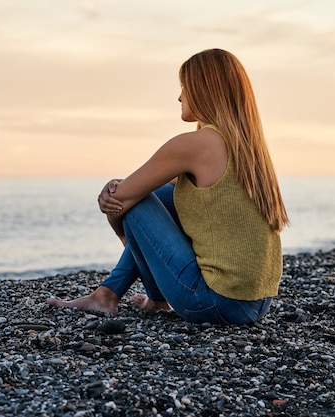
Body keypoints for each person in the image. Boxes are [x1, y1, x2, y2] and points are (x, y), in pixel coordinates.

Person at [47, 48, 289, 325]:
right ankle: (123, 295)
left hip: (213, 304)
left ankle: (127, 297)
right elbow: (161, 188)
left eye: (184, 87)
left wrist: (132, 240)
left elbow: (122, 199)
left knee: (137, 202)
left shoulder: (194, 145)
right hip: (256, 304)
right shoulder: (248, 149)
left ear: (203, 89)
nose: (179, 96)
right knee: (164, 194)